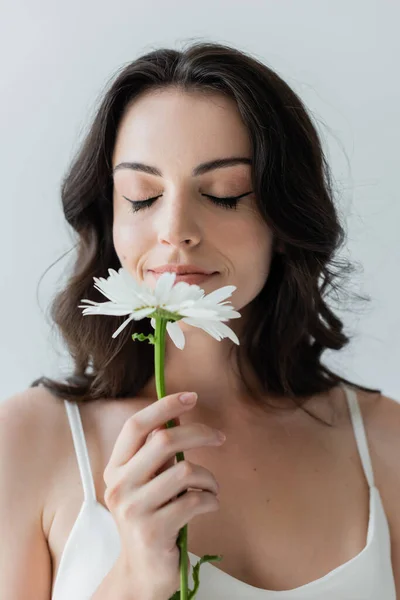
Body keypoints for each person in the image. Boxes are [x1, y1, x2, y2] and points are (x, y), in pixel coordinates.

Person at [1, 41, 399, 600]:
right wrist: (134, 580)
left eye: (224, 194)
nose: (176, 230)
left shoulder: (385, 443)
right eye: (141, 197)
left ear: (285, 219)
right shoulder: (26, 442)